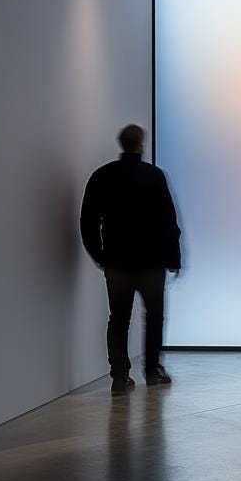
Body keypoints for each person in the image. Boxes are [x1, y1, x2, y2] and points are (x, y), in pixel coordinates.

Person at [80, 124, 182, 396]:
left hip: (117, 263)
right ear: (141, 144)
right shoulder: (154, 176)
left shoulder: (102, 176)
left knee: (118, 319)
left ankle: (119, 377)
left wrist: (100, 256)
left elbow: (87, 221)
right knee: (154, 317)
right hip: (151, 262)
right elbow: (168, 221)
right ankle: (152, 371)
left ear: (122, 144)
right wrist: (173, 257)